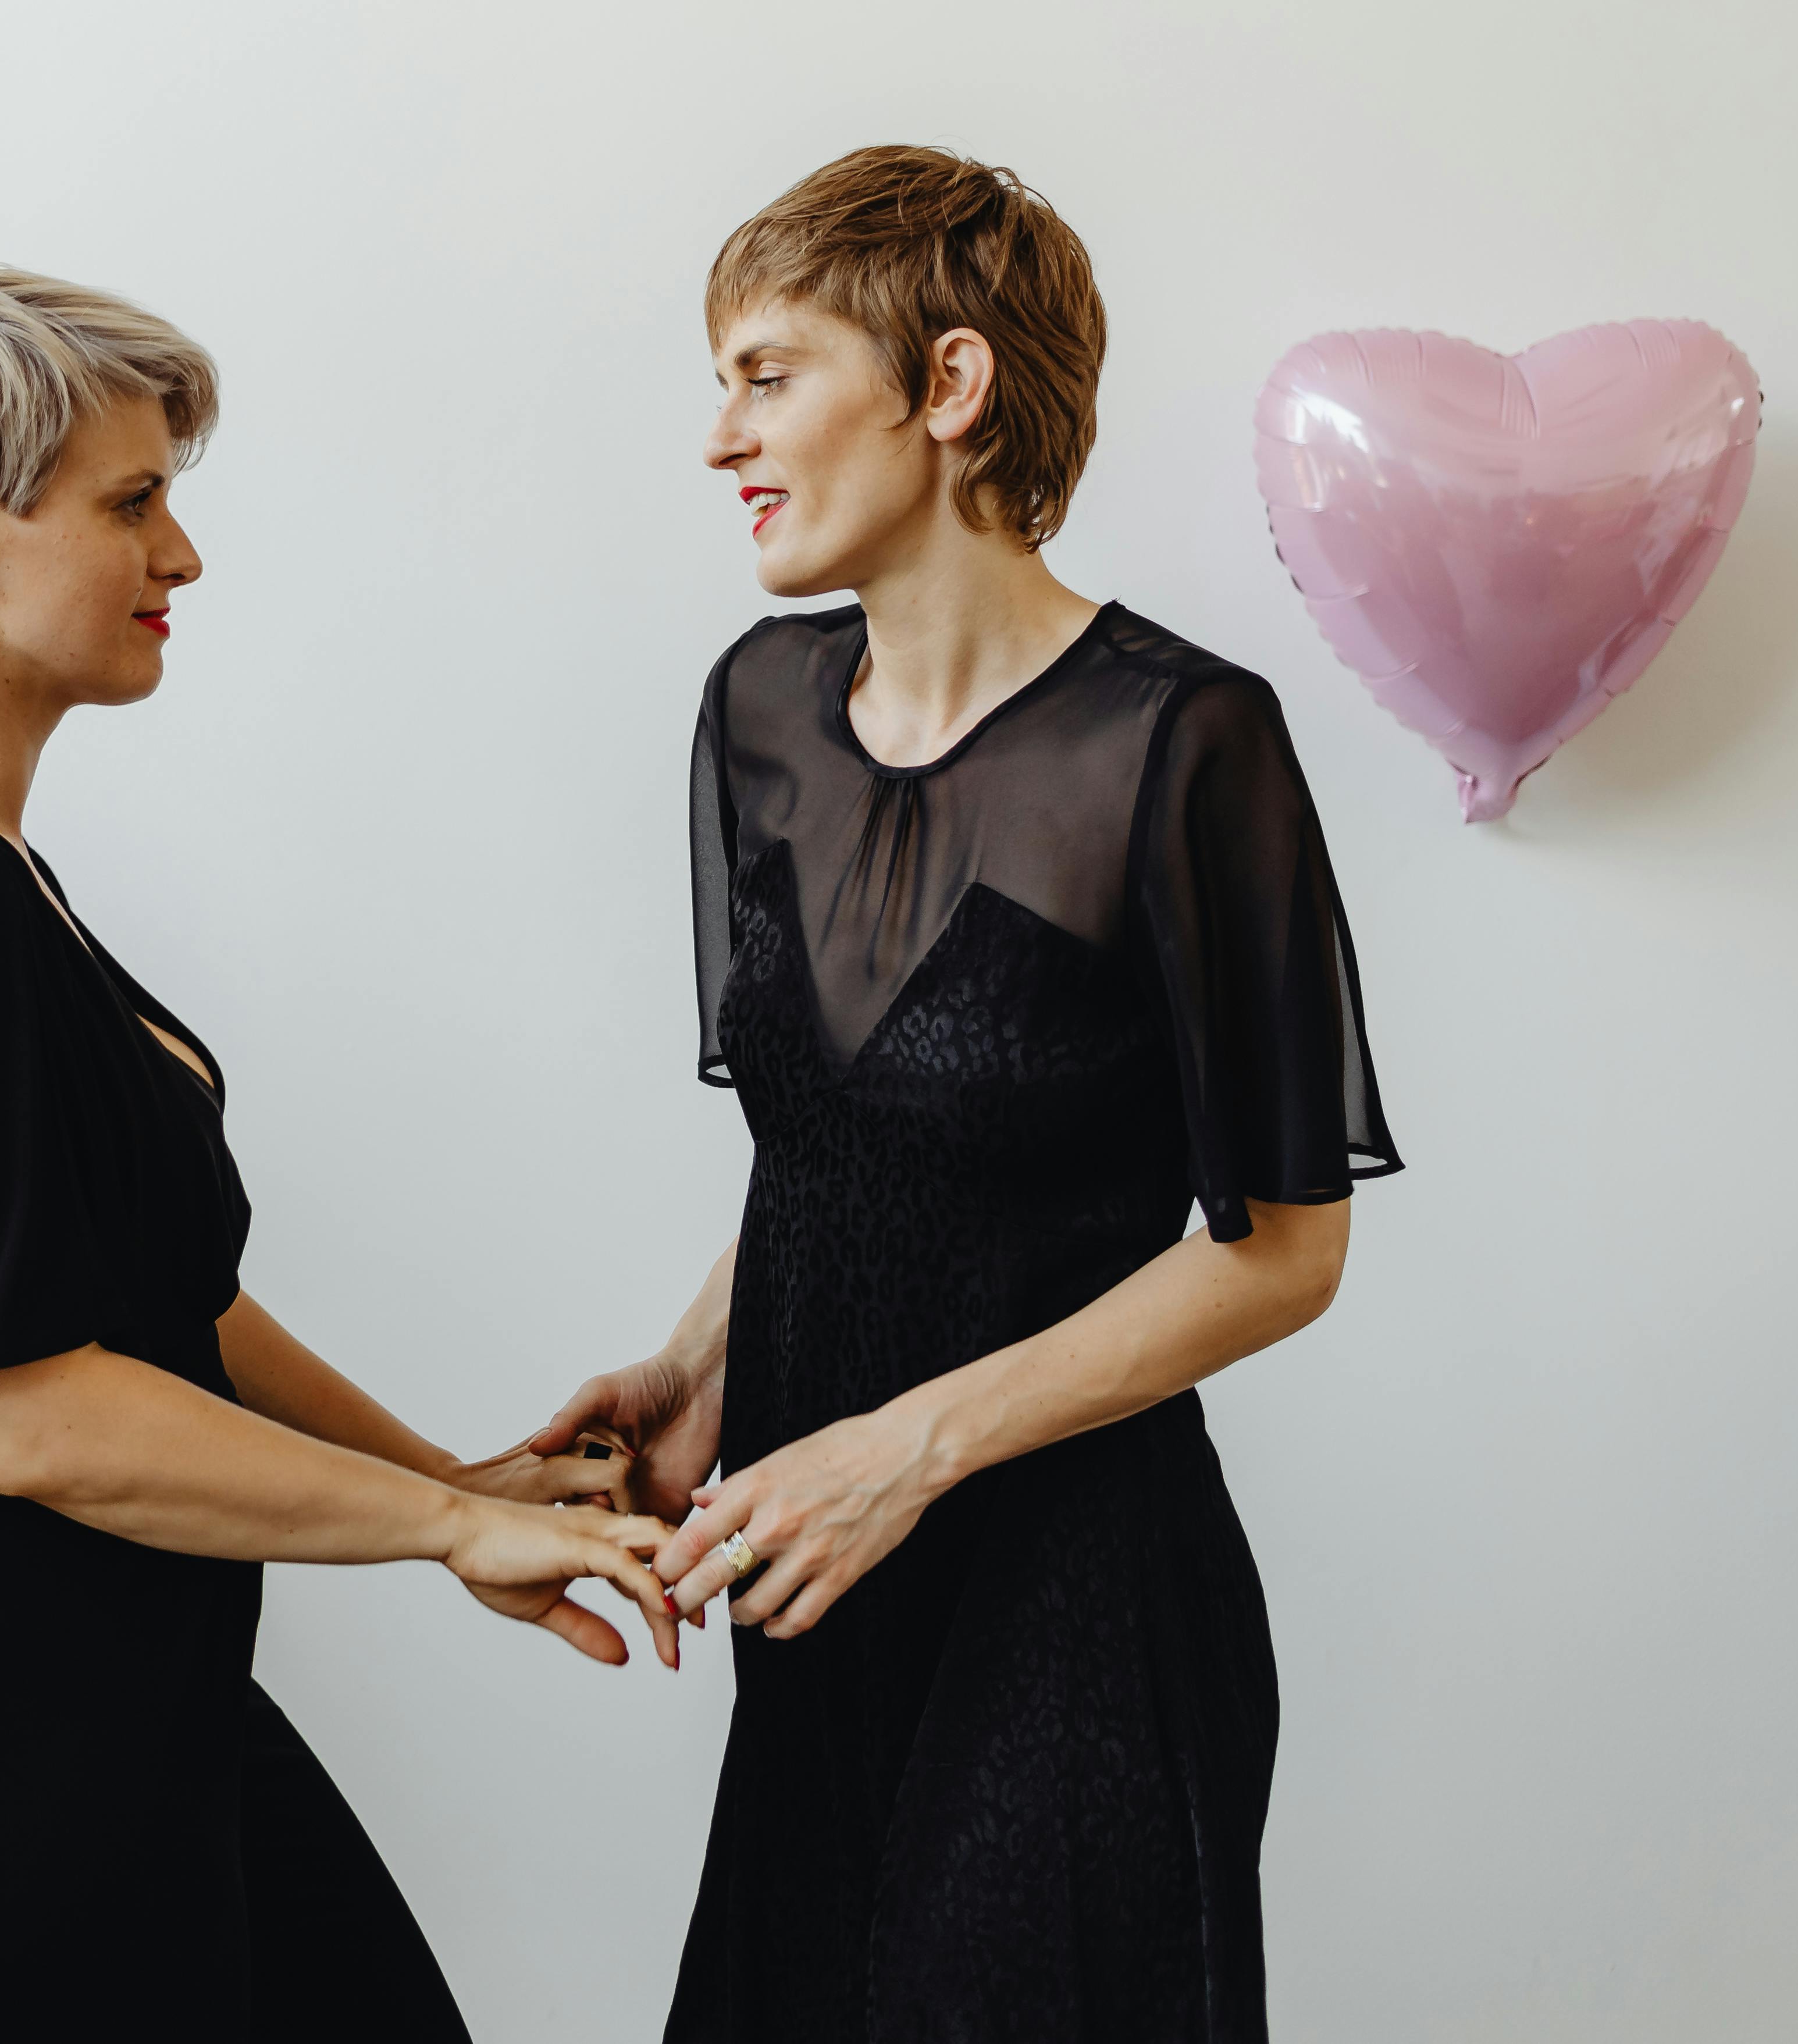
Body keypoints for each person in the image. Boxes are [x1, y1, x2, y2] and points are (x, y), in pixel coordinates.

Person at [0, 261, 675, 2043]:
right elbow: (33, 1414)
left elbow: (161, 1310)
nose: (182, 557)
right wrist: (441, 1527)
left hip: (80, 1709)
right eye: (133, 503)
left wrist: (467, 1482)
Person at [528, 149, 1399, 2043]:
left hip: (1074, 1618)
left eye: (766, 373)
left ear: (947, 386)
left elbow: (1281, 1251)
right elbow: (839, 1145)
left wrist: (902, 1449)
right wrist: (708, 1359)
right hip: (821, 1609)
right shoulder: (757, 713)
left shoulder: (1186, 742)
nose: (719, 437)